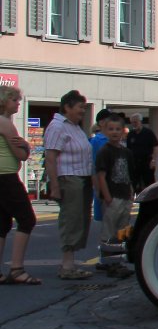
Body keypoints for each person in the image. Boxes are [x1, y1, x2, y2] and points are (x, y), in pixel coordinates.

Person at [43, 90, 95, 281]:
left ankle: (70, 264)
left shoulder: (75, 127)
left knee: (80, 220)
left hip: (82, 178)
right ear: (67, 107)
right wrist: (55, 186)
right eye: (80, 107)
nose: (83, 111)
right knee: (71, 220)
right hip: (68, 178)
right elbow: (50, 158)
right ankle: (66, 266)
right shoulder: (57, 126)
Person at [0, 85, 38, 285]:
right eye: (14, 100)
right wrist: (26, 146)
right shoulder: (5, 123)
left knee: (2, 223)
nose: (18, 104)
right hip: (6, 177)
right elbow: (21, 155)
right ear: (4, 101)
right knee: (27, 219)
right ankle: (17, 269)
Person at [93, 116, 134, 279]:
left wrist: (131, 194)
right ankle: (109, 262)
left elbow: (129, 175)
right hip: (112, 196)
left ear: (123, 131)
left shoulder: (126, 152)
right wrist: (107, 196)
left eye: (118, 129)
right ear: (105, 131)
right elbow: (101, 176)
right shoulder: (105, 151)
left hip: (125, 195)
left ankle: (118, 261)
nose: (114, 132)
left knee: (122, 230)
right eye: (111, 129)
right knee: (109, 231)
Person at [125, 113, 158, 194]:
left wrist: (154, 160)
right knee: (134, 183)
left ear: (140, 121)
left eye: (136, 122)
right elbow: (128, 149)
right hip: (135, 162)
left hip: (146, 161)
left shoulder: (148, 133)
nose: (134, 124)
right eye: (132, 122)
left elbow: (156, 146)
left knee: (149, 183)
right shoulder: (130, 134)